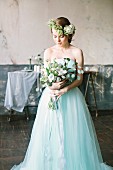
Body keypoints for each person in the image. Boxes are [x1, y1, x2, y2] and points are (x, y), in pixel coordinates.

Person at [11, 17, 113, 170]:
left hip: (71, 96)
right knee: (50, 130)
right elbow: (45, 78)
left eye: (61, 35)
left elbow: (79, 79)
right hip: (51, 96)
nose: (57, 39)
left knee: (72, 132)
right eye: (54, 35)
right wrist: (52, 86)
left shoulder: (77, 52)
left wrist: (65, 88)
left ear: (69, 34)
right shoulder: (49, 52)